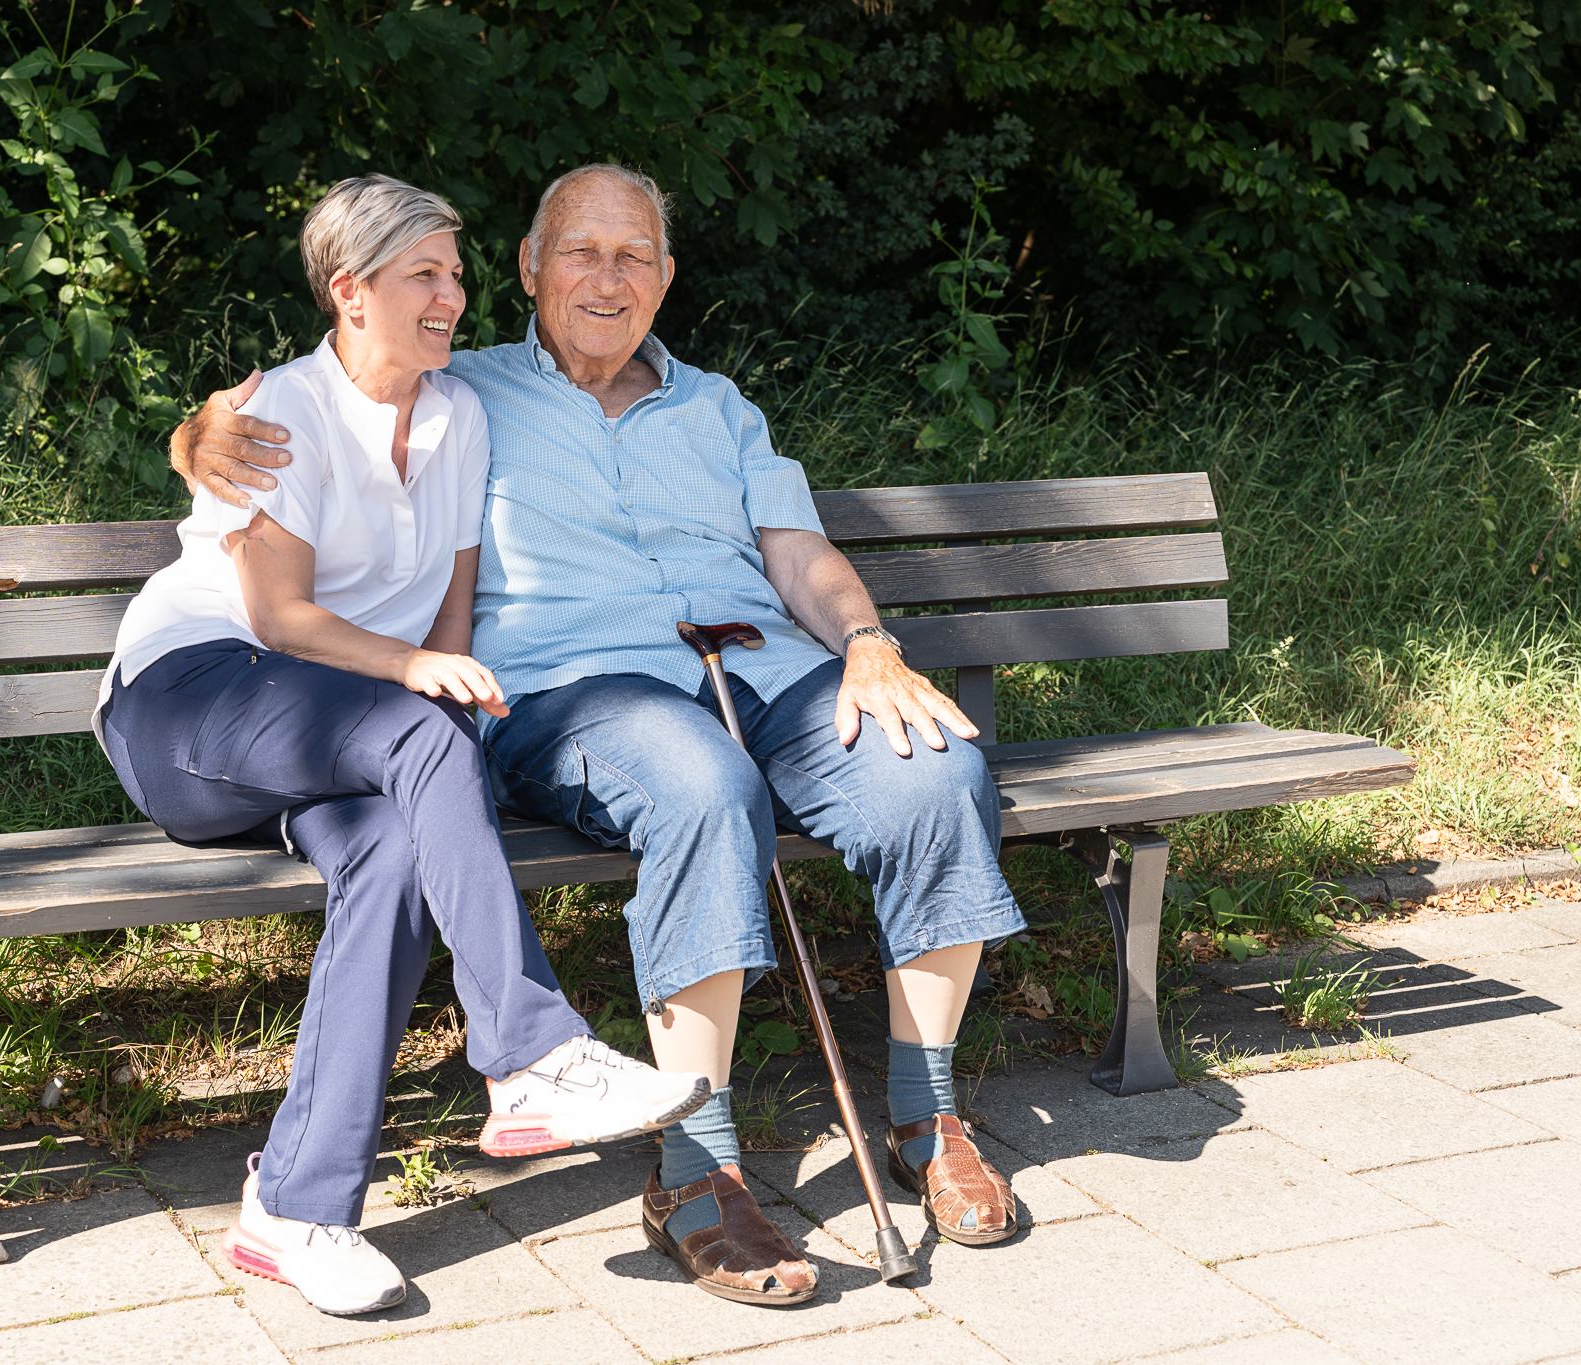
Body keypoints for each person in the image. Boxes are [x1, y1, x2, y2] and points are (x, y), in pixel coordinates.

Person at [171, 164, 1028, 1307]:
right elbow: (318, 394)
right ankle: (696, 1169)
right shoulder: (461, 387)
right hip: (576, 695)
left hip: (759, 671)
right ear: (528, 270)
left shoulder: (722, 408)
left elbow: (795, 554)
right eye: (580, 251)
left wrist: (867, 644)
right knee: (697, 781)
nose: (608, 277)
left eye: (636, 256)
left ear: (667, 278)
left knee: (930, 767)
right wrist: (197, 436)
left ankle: (929, 1112)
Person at [96, 173, 711, 1319]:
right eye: (423, 275)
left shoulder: (459, 412)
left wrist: (441, 680)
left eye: (457, 273)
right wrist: (418, 681)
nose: (451, 296)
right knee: (418, 733)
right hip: (192, 706)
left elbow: (449, 607)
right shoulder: (281, 408)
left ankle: (295, 1208)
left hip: (334, 732)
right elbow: (276, 619)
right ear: (350, 292)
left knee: (389, 851)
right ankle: (527, 1052)